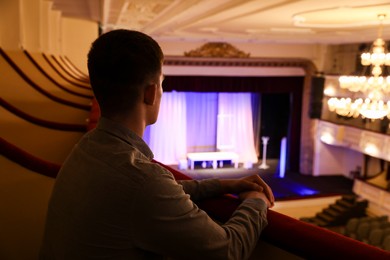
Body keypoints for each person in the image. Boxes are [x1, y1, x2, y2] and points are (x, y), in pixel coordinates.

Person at [40, 29, 274, 260]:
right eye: (162, 83)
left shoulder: (87, 147)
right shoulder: (141, 179)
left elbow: (157, 193)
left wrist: (224, 185)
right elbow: (228, 251)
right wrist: (256, 201)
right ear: (151, 93)